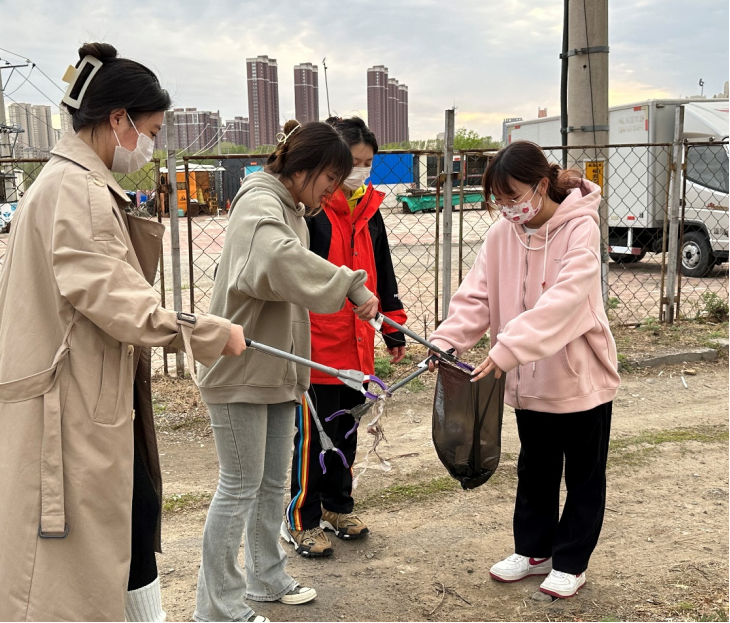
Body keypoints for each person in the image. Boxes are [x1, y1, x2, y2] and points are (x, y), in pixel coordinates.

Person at [0, 42, 246, 622]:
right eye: (152, 129)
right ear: (117, 119)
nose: (152, 144)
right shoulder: (81, 190)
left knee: (127, 528)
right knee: (83, 557)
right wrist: (205, 332)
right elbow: (115, 299)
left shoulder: (62, 180)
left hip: (71, 394)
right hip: (68, 405)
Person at [194, 120, 379, 623]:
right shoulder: (259, 202)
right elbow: (278, 259)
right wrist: (350, 285)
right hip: (239, 369)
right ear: (305, 169)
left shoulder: (290, 206)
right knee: (238, 485)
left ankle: (267, 578)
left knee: (274, 482)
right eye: (330, 178)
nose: (333, 189)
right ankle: (217, 608)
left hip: (276, 367)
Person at [429, 140, 620, 599]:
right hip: (525, 378)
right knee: (535, 468)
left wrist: (508, 346)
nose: (507, 208)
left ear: (540, 185)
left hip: (579, 378)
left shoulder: (579, 229)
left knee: (583, 474)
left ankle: (571, 561)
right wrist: (446, 340)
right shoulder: (501, 235)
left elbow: (568, 300)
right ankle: (535, 551)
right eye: (499, 200)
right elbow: (476, 295)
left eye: (513, 197)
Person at [282, 116, 407, 558]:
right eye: (351, 163)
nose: (359, 171)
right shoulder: (311, 210)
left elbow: (383, 269)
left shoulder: (370, 209)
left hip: (358, 342)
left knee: (347, 429)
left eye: (367, 163)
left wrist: (391, 323)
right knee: (312, 436)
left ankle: (337, 506)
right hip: (316, 345)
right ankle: (301, 518)